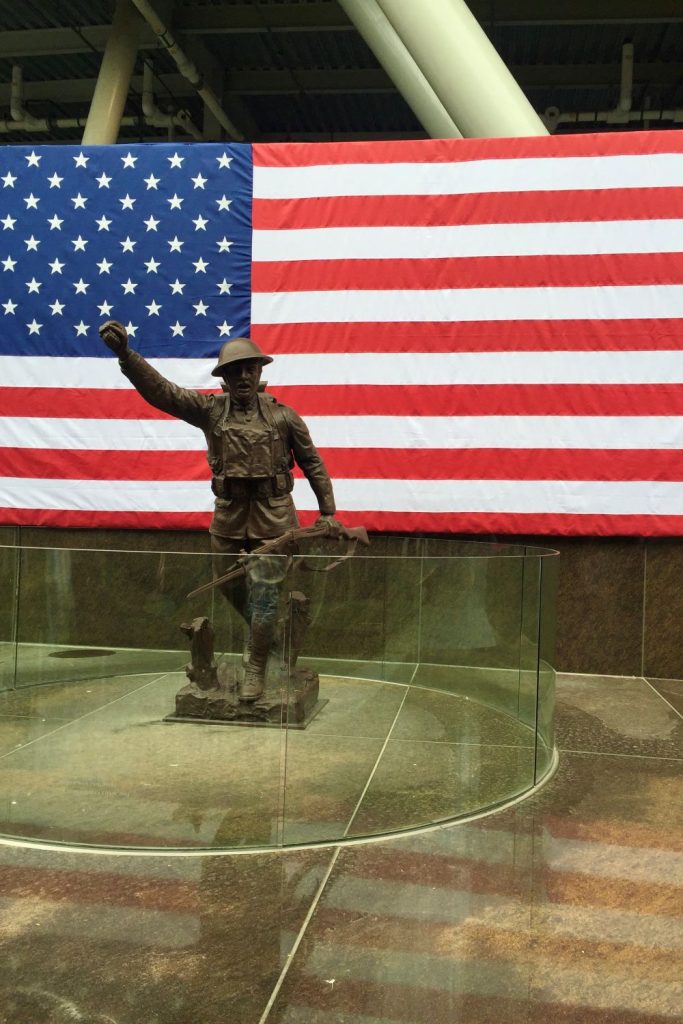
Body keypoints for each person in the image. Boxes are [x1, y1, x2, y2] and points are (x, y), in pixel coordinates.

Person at [98, 320, 336, 700]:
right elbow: (164, 393)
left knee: (266, 593)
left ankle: (256, 665)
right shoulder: (211, 411)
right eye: (234, 371)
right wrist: (127, 356)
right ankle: (269, 636)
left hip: (275, 517)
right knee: (226, 582)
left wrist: (327, 512)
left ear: (259, 372)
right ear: (224, 378)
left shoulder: (284, 416)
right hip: (229, 514)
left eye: (249, 369)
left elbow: (313, 463)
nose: (243, 377)